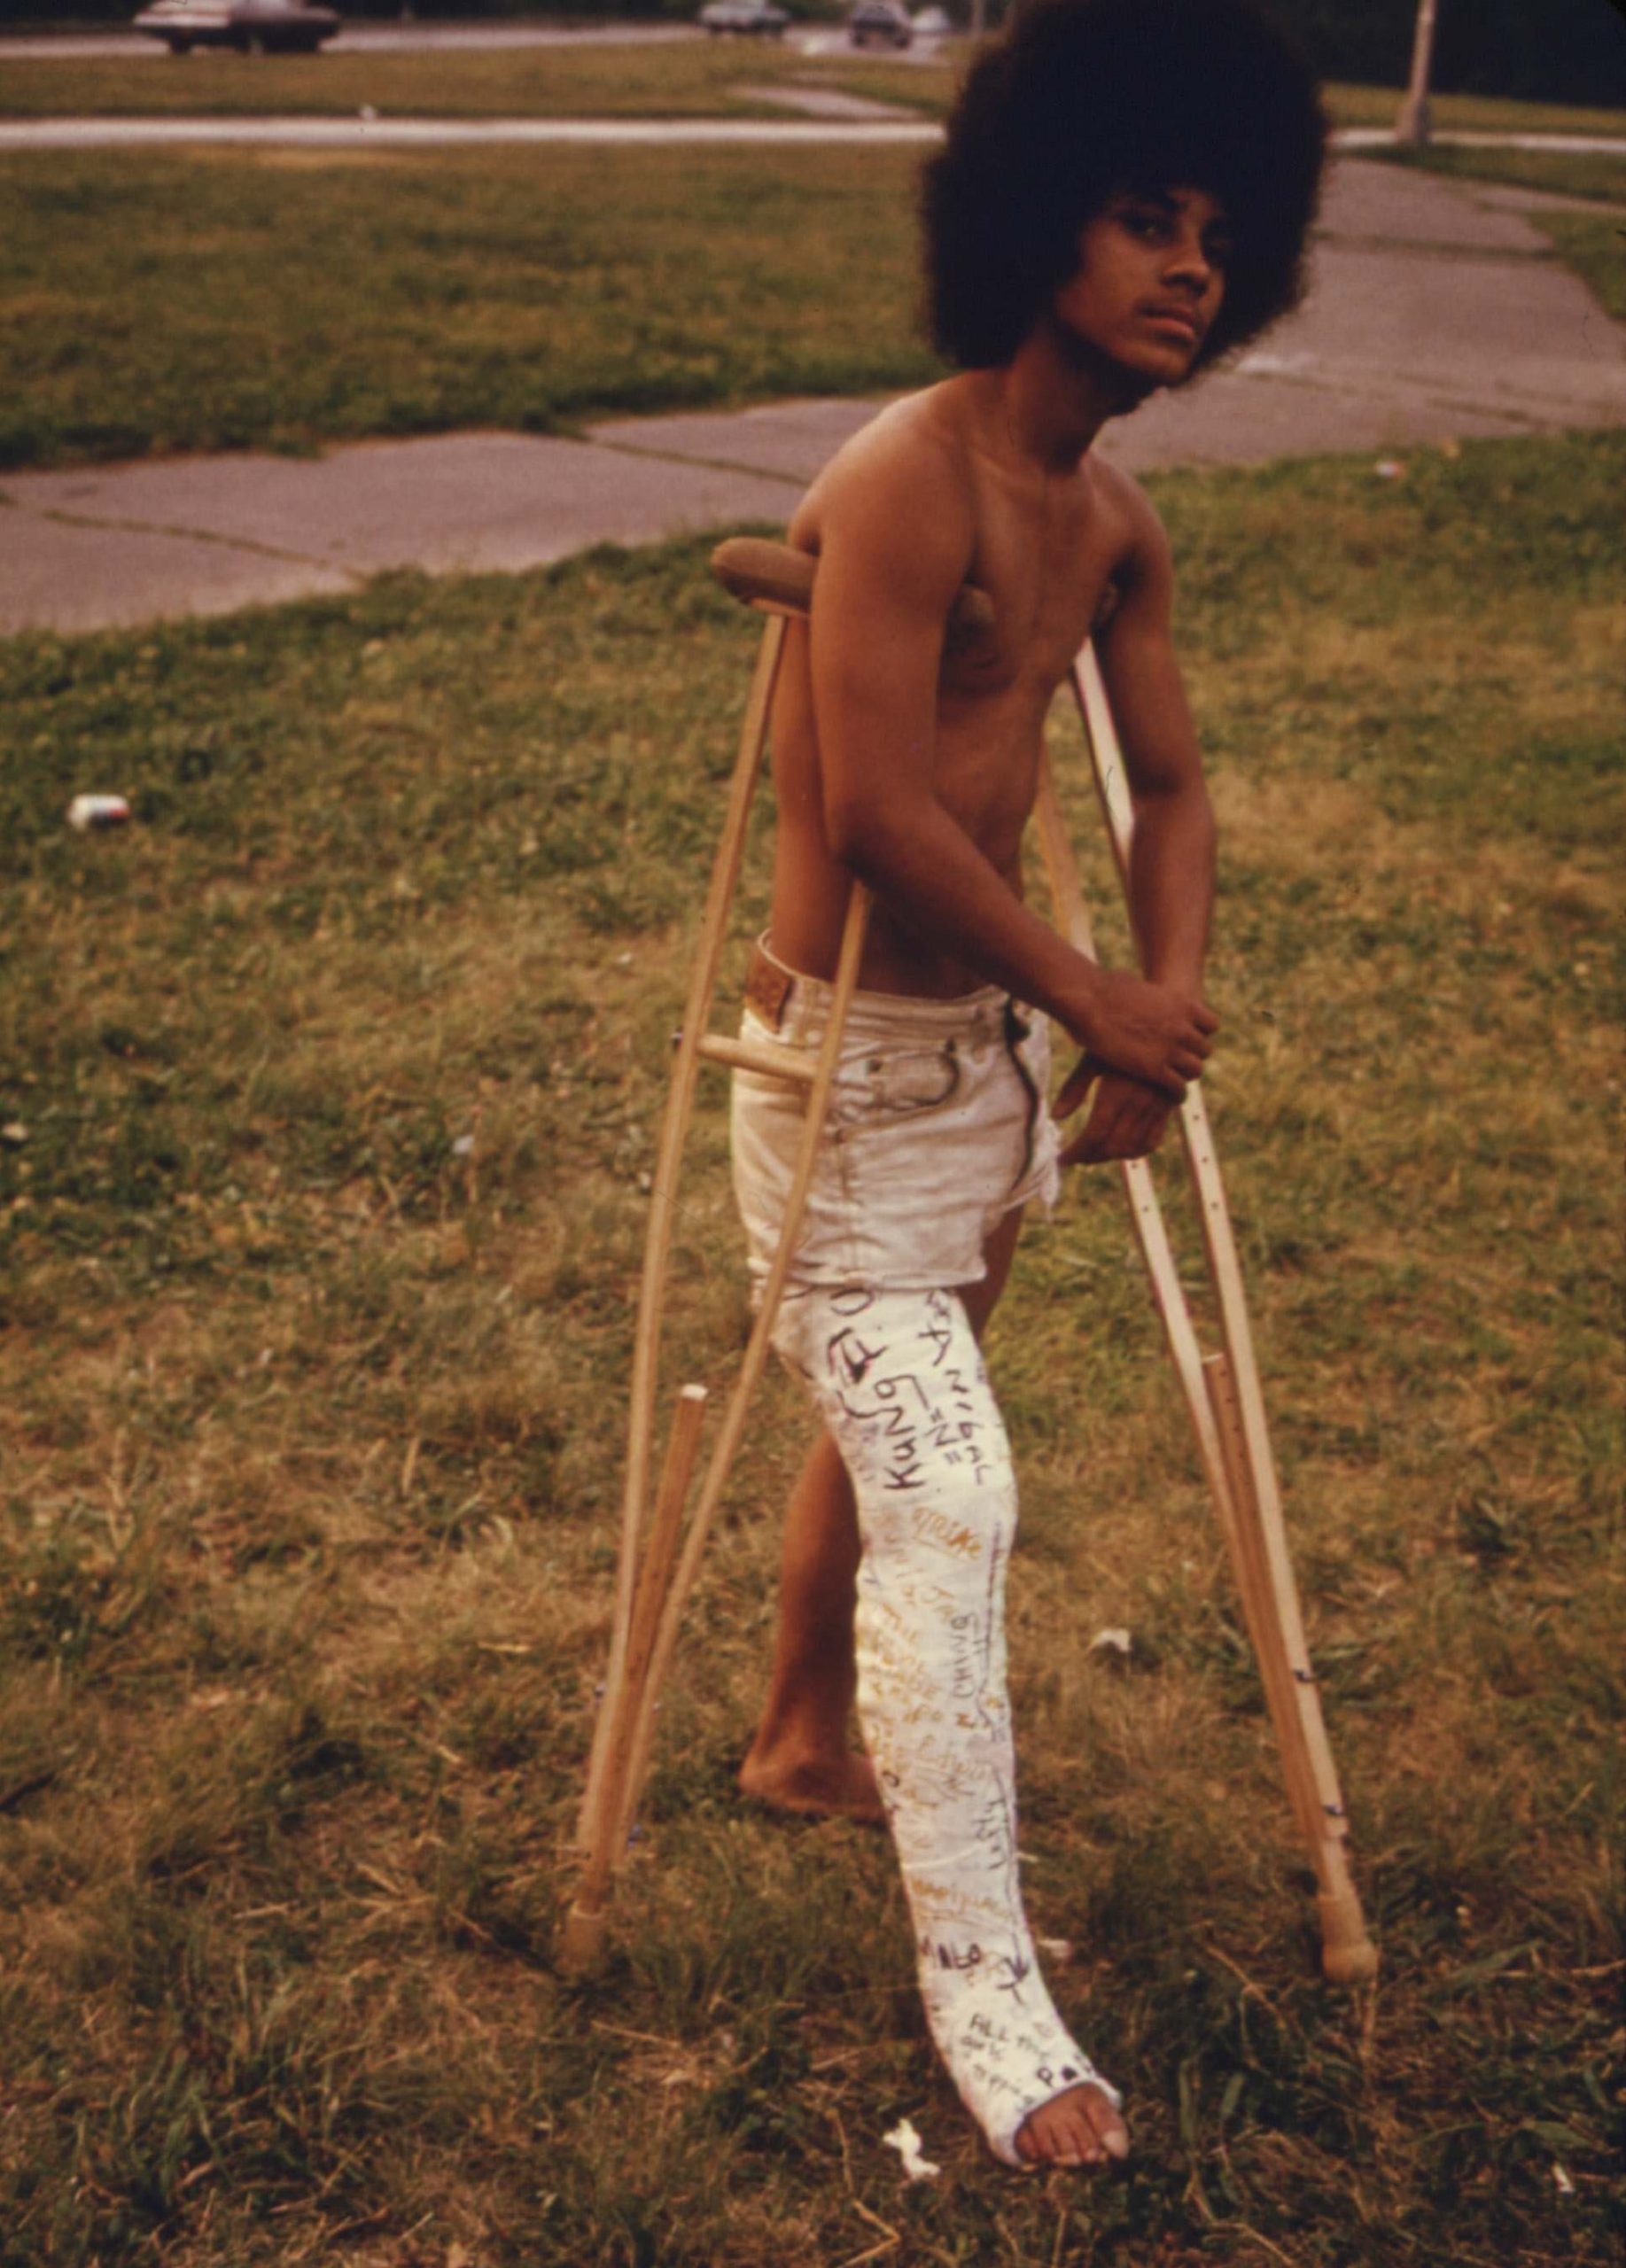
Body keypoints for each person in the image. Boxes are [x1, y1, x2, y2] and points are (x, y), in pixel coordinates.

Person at [727, 0, 1326, 2172]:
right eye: (1141, 219)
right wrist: (1097, 991)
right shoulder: (907, 475)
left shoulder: (1114, 519)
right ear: (1027, 226)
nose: (1189, 264)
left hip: (977, 1080)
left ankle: (805, 1734)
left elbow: (1166, 782)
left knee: (892, 1431)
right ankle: (991, 1994)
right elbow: (878, 803)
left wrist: (1153, 1011)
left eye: (1216, 236)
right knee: (954, 1490)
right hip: (835, 1089)